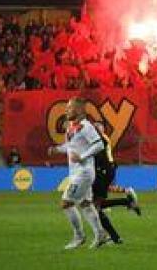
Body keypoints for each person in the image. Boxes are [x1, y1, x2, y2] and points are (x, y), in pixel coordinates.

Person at [50, 97, 107, 250]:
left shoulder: (86, 127)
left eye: (70, 108)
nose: (66, 110)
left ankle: (79, 236)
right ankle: (100, 234)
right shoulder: (71, 126)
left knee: (66, 203)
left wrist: (82, 156)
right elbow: (71, 147)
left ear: (80, 110)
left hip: (84, 172)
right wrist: (57, 149)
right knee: (85, 204)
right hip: (76, 172)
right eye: (67, 108)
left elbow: (99, 145)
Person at [87, 107, 142, 245]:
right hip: (105, 170)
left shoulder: (102, 139)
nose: (95, 129)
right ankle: (126, 203)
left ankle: (109, 236)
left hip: (104, 171)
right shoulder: (101, 138)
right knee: (96, 205)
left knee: (95, 206)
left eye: (97, 127)